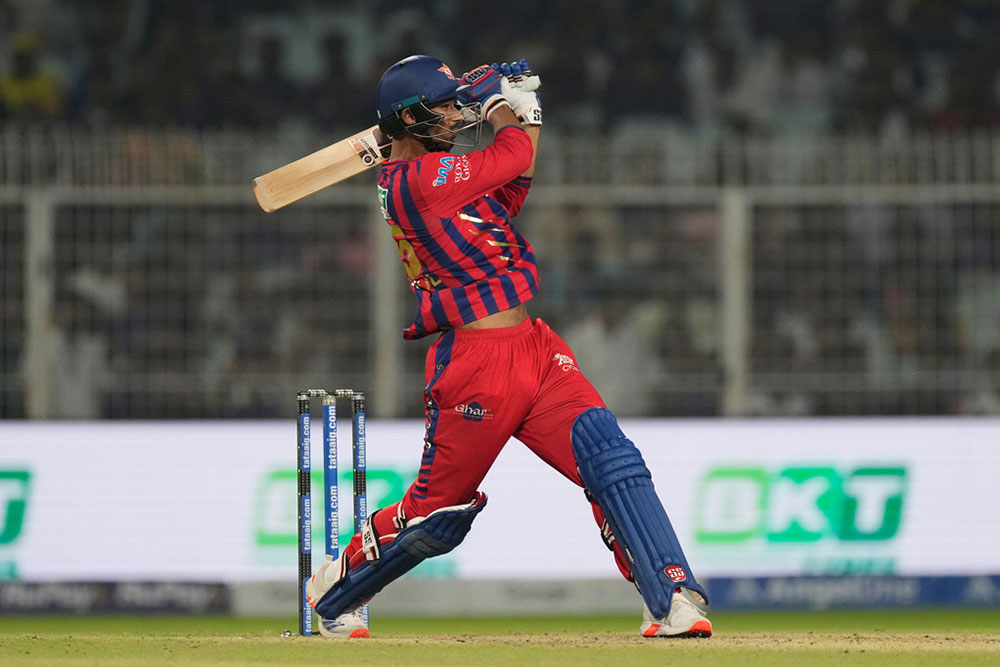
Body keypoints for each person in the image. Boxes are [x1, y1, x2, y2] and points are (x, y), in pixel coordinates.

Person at [306, 55, 712, 639]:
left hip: (536, 348)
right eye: (443, 106)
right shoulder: (412, 183)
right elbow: (512, 154)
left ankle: (671, 597)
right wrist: (502, 106)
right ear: (411, 117)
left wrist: (526, 110)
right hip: (475, 362)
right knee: (437, 516)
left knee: (613, 461)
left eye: (455, 102)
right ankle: (336, 589)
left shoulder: (444, 179)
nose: (454, 114)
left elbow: (512, 187)